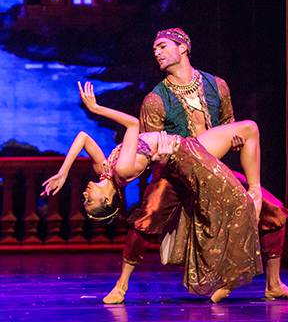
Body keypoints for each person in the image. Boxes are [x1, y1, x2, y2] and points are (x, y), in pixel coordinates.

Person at [104, 28, 288, 303]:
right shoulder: (155, 100)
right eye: (155, 50)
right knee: (147, 216)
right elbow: (154, 151)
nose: (157, 53)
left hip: (213, 168)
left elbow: (228, 126)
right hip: (174, 173)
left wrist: (234, 140)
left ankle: (273, 284)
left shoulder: (217, 86)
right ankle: (121, 285)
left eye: (163, 47)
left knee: (272, 211)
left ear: (183, 47)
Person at [42, 81, 262, 302]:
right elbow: (132, 125)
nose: (84, 196)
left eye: (85, 201)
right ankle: (232, 277)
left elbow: (83, 137)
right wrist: (96, 109)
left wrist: (63, 172)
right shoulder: (122, 169)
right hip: (187, 157)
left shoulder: (105, 170)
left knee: (249, 129)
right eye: (89, 202)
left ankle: (254, 191)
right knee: (237, 202)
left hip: (187, 146)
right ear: (108, 199)